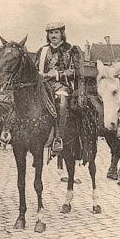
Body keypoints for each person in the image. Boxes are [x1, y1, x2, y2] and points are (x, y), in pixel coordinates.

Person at [35, 21, 83, 154]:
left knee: (62, 103)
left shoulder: (70, 50)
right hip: (43, 84)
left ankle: (58, 138)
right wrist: (38, 74)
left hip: (61, 85)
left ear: (62, 33)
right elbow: (35, 67)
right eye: (51, 33)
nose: (53, 35)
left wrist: (56, 74)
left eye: (56, 32)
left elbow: (74, 71)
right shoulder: (42, 50)